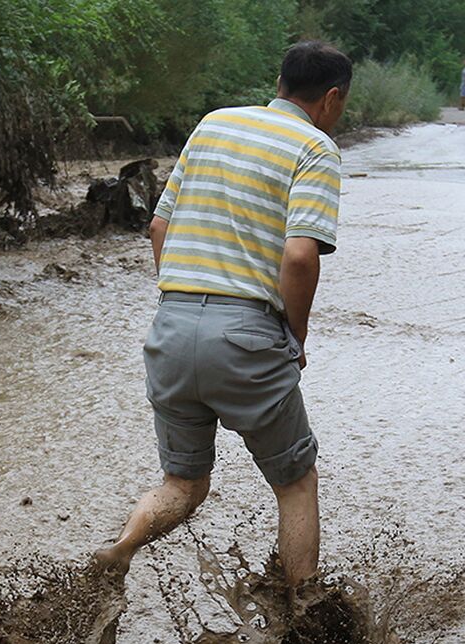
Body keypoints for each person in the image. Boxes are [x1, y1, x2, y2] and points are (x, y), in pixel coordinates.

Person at [94, 41, 350, 592]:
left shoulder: (212, 124)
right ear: (331, 98)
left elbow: (159, 228)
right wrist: (294, 336)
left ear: (278, 82)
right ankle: (304, 617)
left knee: (182, 484)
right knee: (296, 482)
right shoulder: (315, 148)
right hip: (245, 334)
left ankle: (122, 546)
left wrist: (179, 303)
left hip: (171, 327)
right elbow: (300, 255)